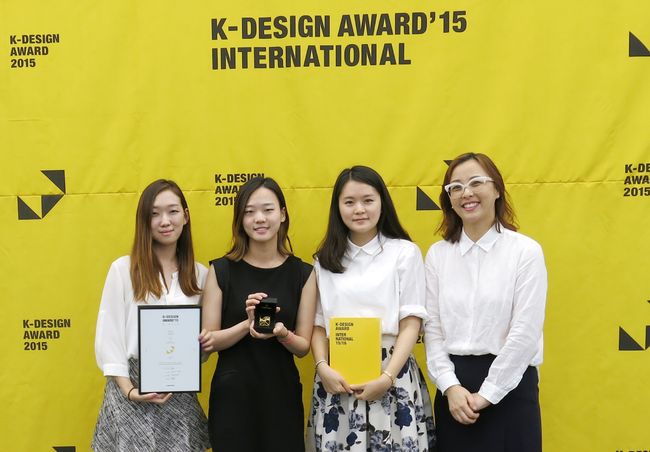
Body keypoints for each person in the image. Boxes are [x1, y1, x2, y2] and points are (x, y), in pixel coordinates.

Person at [423, 152, 547, 451]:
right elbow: (433, 329)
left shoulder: (525, 252)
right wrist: (450, 386)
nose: (466, 193)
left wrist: (488, 394)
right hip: (455, 393)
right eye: (455, 187)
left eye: (476, 182)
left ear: (497, 189)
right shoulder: (438, 255)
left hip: (511, 386)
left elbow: (525, 332)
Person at [306, 165, 436, 452]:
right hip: (337, 377)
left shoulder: (404, 252)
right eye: (349, 202)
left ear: (382, 202)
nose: (359, 209)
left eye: (368, 200)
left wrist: (387, 377)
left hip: (391, 371)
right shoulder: (324, 260)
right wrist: (322, 367)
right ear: (337, 207)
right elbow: (317, 324)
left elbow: (411, 322)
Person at [199, 176, 317, 452]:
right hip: (232, 397)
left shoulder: (303, 274)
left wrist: (283, 334)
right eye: (249, 212)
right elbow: (210, 341)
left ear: (282, 214)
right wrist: (247, 324)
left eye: (268, 209)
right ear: (240, 219)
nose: (259, 219)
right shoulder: (221, 270)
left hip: (282, 395)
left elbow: (303, 347)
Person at [92, 179, 210, 452]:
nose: (165, 221)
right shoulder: (124, 270)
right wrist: (130, 390)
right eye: (154, 214)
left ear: (186, 216)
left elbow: (202, 349)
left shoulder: (201, 275)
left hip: (179, 395)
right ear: (144, 221)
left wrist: (204, 344)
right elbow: (109, 336)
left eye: (173, 211)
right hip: (130, 393)